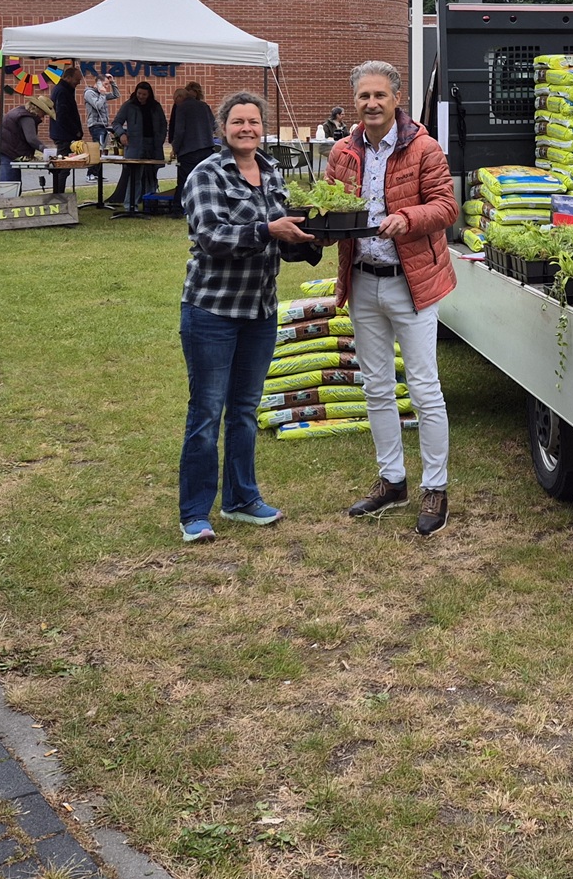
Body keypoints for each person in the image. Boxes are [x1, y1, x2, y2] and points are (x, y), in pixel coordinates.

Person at [177, 91, 320, 541]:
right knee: (206, 413)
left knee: (243, 410)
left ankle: (241, 499)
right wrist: (266, 229)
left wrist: (313, 242)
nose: (246, 129)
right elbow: (211, 235)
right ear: (223, 128)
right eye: (237, 121)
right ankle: (195, 513)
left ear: (263, 127)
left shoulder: (272, 172)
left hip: (259, 311)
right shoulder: (206, 174)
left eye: (253, 122)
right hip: (212, 311)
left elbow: (282, 237)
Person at [326, 60, 459, 536]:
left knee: (424, 388)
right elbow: (333, 209)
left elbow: (446, 206)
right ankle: (392, 480)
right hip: (363, 280)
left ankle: (436, 487)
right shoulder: (343, 151)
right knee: (376, 386)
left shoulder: (424, 147)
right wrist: (317, 226)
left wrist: (409, 218)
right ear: (355, 101)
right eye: (364, 96)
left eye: (380, 95)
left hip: (412, 281)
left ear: (396, 98)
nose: (371, 104)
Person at [108, 80, 167, 212]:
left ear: (149, 95)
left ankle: (151, 204)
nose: (141, 96)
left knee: (152, 176)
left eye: (144, 94)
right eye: (139, 93)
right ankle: (131, 205)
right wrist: (122, 134)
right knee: (135, 176)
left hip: (153, 145)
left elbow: (163, 124)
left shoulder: (156, 106)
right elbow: (116, 122)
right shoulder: (129, 105)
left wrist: (160, 139)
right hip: (135, 146)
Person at [0, 95, 54, 192]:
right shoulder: (26, 117)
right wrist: (46, 150)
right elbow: (31, 139)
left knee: (1, 189)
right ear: (38, 109)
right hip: (7, 154)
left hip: (0, 151)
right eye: (44, 113)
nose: (43, 117)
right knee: (10, 189)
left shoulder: (20, 111)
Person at [170, 81, 217, 192]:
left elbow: (179, 131)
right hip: (207, 149)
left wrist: (175, 149)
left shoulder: (182, 107)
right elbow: (214, 125)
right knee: (204, 182)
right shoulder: (204, 106)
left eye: (175, 100)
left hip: (188, 152)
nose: (175, 103)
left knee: (184, 183)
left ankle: (179, 209)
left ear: (180, 96)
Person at [48, 61, 82, 194]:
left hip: (62, 133)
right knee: (64, 167)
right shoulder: (63, 91)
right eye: (76, 80)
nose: (78, 83)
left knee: (63, 166)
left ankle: (59, 192)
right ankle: (59, 194)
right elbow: (63, 115)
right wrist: (76, 130)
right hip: (64, 135)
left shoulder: (61, 89)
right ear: (68, 78)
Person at [82, 70, 116, 148]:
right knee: (99, 148)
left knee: (103, 147)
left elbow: (116, 95)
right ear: (99, 83)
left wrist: (112, 83)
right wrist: (103, 94)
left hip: (104, 125)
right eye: (106, 84)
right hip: (96, 125)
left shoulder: (101, 94)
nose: (107, 87)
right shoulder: (89, 93)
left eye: (108, 84)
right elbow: (98, 106)